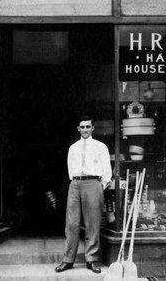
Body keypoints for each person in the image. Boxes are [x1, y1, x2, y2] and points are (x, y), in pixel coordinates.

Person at [55, 116, 112, 274]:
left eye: (88, 126)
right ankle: (68, 260)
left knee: (92, 224)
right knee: (72, 223)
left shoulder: (101, 146)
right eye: (83, 127)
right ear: (78, 129)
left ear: (93, 128)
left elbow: (107, 169)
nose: (85, 129)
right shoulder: (73, 147)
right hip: (75, 184)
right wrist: (75, 183)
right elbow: (70, 168)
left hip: (93, 183)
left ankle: (91, 260)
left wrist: (101, 185)